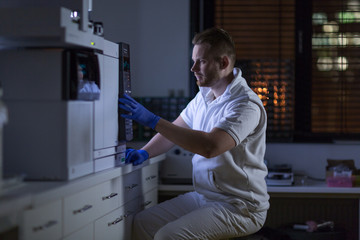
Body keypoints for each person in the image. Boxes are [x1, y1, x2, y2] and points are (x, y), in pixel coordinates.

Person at [119, 27, 269, 240]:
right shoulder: (204, 97)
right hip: (204, 197)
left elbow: (210, 147)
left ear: (223, 63)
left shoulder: (245, 104)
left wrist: (151, 119)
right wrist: (144, 153)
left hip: (239, 206)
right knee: (143, 224)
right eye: (194, 60)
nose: (193, 68)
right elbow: (174, 131)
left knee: (168, 236)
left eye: (202, 61)